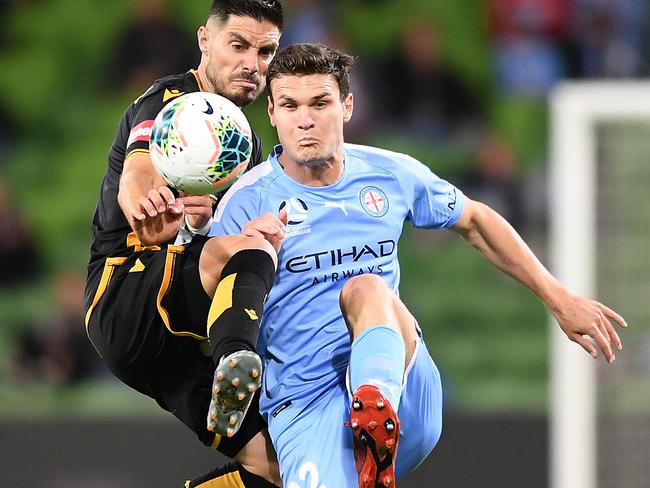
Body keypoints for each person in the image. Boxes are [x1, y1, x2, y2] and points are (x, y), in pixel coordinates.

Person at [208, 43, 627, 487]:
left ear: (347, 106)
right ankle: (369, 441)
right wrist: (207, 237)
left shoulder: (390, 175)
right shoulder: (246, 202)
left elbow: (476, 221)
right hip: (307, 406)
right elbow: (208, 291)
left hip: (403, 391)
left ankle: (375, 408)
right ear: (271, 112)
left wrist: (558, 298)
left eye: (320, 103)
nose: (305, 119)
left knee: (365, 288)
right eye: (290, 105)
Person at [84, 1, 285, 486]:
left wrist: (204, 227)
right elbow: (139, 172)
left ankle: (231, 373)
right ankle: (236, 357)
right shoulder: (170, 101)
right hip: (127, 295)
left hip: (177, 339)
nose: (251, 64)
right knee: (246, 252)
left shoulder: (247, 144)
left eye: (265, 51)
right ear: (204, 40)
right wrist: (147, 210)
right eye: (238, 45)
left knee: (277, 466)